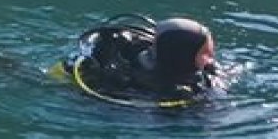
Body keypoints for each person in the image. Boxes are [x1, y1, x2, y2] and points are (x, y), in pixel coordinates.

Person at [51, 15, 219, 107]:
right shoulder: (169, 91)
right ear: (181, 56)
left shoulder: (161, 53)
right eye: (205, 53)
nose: (211, 58)